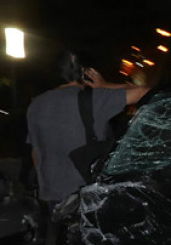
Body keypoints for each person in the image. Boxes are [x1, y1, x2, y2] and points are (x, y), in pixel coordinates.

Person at [26, 52, 149, 204]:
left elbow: (35, 151)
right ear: (86, 73)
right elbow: (146, 92)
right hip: (86, 196)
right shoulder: (94, 98)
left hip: (50, 195)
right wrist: (106, 85)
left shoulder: (36, 105)